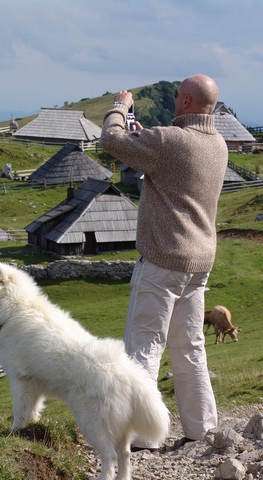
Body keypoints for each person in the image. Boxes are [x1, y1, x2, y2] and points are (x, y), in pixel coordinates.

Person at [99, 74, 228, 450]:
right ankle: (201, 427)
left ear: (186, 102)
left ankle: (141, 435)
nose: (174, 100)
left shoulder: (170, 141)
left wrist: (120, 106)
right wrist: (142, 136)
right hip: (199, 262)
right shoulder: (218, 143)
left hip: (163, 260)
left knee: (144, 344)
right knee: (189, 346)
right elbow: (166, 160)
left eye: (177, 96)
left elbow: (110, 139)